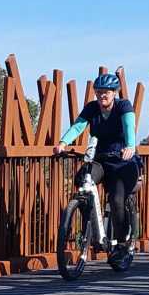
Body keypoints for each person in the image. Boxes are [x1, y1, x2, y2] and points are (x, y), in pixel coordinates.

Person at [53, 73, 140, 244]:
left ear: (115, 92)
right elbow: (78, 126)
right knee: (82, 180)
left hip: (122, 161)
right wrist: (62, 143)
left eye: (106, 92)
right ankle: (90, 227)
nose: (102, 95)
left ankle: (122, 243)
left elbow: (129, 126)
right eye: (99, 92)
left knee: (116, 199)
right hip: (100, 158)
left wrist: (130, 146)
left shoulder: (123, 106)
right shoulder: (92, 107)